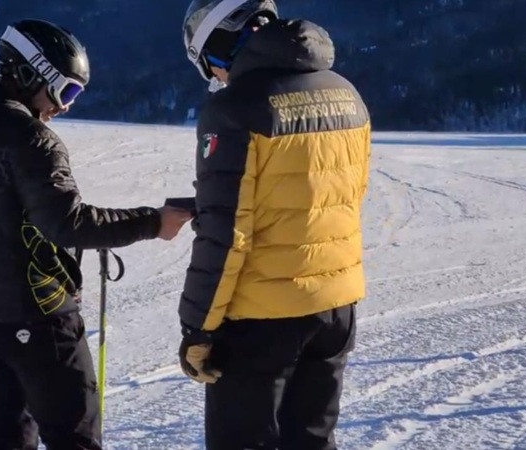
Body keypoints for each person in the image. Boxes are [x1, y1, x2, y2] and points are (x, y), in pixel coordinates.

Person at [0, 19, 192, 449]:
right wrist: (152, 222)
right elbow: (68, 223)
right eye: (66, 91)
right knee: (74, 439)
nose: (65, 107)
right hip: (37, 317)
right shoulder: (30, 138)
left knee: (7, 435)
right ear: (32, 74)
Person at [177, 1, 372, 448]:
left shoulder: (234, 109)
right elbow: (341, 197)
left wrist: (198, 328)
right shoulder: (348, 94)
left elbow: (225, 235)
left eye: (210, 66)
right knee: (313, 440)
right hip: (335, 308)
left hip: (262, 318)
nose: (217, 78)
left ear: (221, 43)